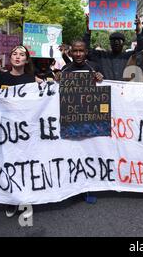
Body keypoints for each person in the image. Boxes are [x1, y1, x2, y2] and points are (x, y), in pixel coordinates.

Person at [59, 40, 103, 204]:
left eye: (81, 51)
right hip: (71, 120)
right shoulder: (65, 69)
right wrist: (58, 80)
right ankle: (73, 187)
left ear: (86, 52)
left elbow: (104, 86)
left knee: (89, 153)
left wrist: (101, 79)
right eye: (75, 51)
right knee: (73, 154)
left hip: (91, 119)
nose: (78, 54)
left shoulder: (94, 67)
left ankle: (88, 187)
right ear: (70, 53)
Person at [0, 46, 37, 217]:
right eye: (14, 54)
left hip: (25, 130)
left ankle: (25, 198)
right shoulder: (0, 78)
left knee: (26, 164)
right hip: (5, 130)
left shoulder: (32, 80)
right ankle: (11, 200)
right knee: (9, 165)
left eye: (22, 54)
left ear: (26, 60)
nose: (18, 57)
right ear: (10, 58)